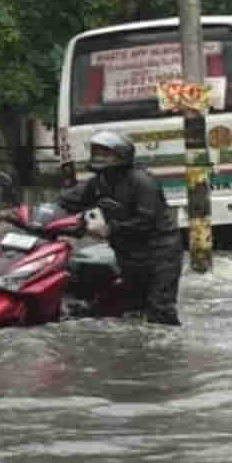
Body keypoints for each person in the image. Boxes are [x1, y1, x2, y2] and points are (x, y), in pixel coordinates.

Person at [57, 131, 183, 326]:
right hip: (127, 254)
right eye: (97, 153)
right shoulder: (98, 182)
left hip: (160, 253)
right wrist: (25, 212)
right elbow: (67, 201)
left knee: (160, 309)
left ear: (122, 155)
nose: (100, 158)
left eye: (106, 154)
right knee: (133, 309)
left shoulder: (142, 181)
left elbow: (146, 221)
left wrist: (109, 230)